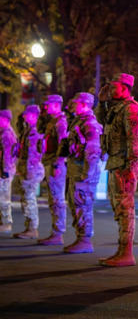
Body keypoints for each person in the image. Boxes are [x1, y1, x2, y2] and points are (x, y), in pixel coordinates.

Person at [96, 73, 138, 266]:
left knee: (125, 208)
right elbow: (103, 121)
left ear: (125, 87)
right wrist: (101, 102)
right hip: (116, 162)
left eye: (113, 85)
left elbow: (136, 141)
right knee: (118, 207)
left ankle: (126, 253)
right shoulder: (116, 108)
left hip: (125, 164)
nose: (110, 88)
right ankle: (121, 250)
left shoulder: (131, 109)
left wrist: (130, 167)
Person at [63, 93, 103, 254]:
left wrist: (87, 174)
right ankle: (80, 238)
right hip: (76, 169)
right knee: (76, 205)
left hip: (84, 171)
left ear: (85, 104)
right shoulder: (78, 122)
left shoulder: (90, 124)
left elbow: (93, 151)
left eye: (76, 103)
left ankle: (85, 240)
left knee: (83, 205)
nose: (73, 105)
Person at [38, 94, 69, 245]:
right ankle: (55, 232)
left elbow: (63, 145)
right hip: (50, 161)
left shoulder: (61, 122)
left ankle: (58, 233)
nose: (46, 107)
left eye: (48, 104)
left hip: (56, 163)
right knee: (53, 199)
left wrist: (57, 164)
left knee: (57, 199)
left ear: (57, 105)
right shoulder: (53, 121)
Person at [14, 104, 45, 239]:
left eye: (27, 114)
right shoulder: (28, 130)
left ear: (34, 116)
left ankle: (32, 228)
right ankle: (29, 227)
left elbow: (33, 156)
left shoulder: (34, 132)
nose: (24, 116)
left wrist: (28, 172)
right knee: (26, 198)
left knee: (29, 199)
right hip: (27, 168)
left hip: (32, 169)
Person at [0, 109, 17, 233]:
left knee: (4, 197)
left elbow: (7, 155)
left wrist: (5, 170)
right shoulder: (4, 133)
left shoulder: (7, 134)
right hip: (4, 168)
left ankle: (6, 223)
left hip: (5, 169)